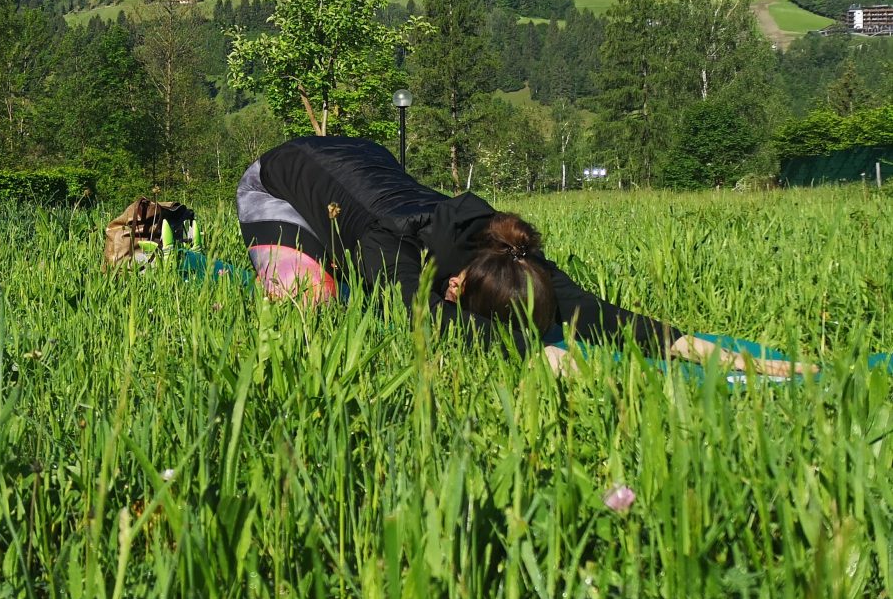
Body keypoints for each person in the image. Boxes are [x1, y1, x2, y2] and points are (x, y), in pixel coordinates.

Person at [237, 134, 808, 377]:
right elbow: (426, 325)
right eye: (461, 297)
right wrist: (534, 356)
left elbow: (596, 311)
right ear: (459, 284)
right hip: (278, 179)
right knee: (312, 302)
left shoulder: (508, 248)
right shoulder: (392, 248)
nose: (453, 297)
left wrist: (728, 357)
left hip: (363, 160)